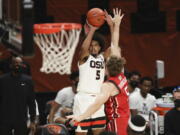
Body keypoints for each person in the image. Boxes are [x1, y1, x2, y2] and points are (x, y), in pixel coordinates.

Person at [68, 9, 129, 135]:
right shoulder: (84, 58)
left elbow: (114, 46)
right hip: (84, 98)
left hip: (99, 98)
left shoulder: (103, 57)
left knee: (99, 132)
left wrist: (112, 26)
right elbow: (84, 47)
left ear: (100, 46)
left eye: (96, 45)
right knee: (81, 133)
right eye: (92, 45)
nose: (93, 47)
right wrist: (92, 30)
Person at [0, 56, 36, 135]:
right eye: (15, 62)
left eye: (20, 63)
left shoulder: (28, 80)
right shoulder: (2, 80)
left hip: (21, 119)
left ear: (23, 65)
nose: (17, 64)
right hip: (4, 119)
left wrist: (33, 121)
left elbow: (31, 102)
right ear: (10, 65)